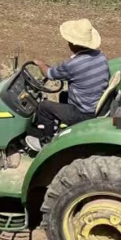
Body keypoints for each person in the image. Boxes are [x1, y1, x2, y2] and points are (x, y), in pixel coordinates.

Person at [25, 19, 109, 152]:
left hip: (84, 113)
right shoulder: (100, 56)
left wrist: (40, 64)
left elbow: (49, 74)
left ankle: (45, 143)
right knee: (64, 94)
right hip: (97, 104)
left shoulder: (73, 64)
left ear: (74, 44)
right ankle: (57, 128)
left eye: (69, 41)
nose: (68, 43)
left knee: (44, 107)